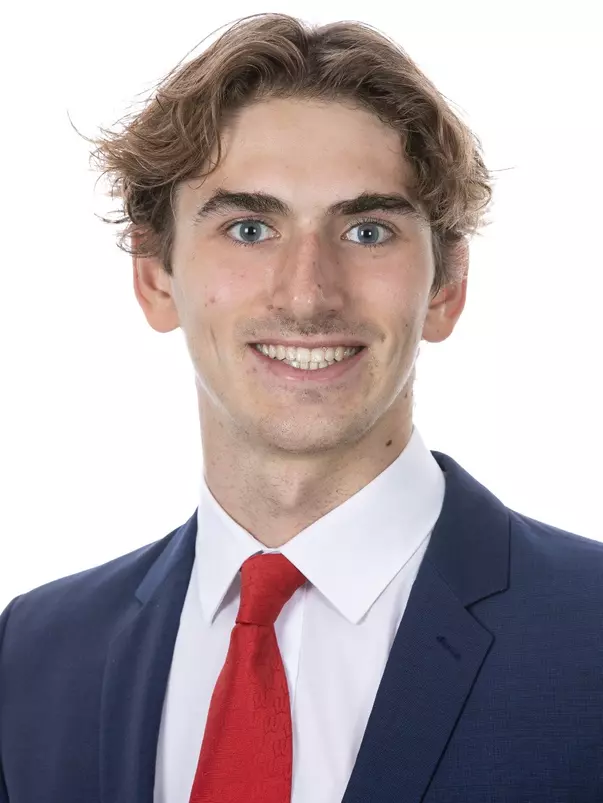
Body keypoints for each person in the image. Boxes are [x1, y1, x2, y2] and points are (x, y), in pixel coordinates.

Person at [1, 12, 601, 803]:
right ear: (155, 277)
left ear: (447, 286)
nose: (308, 293)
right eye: (249, 228)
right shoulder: (33, 654)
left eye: (367, 229)